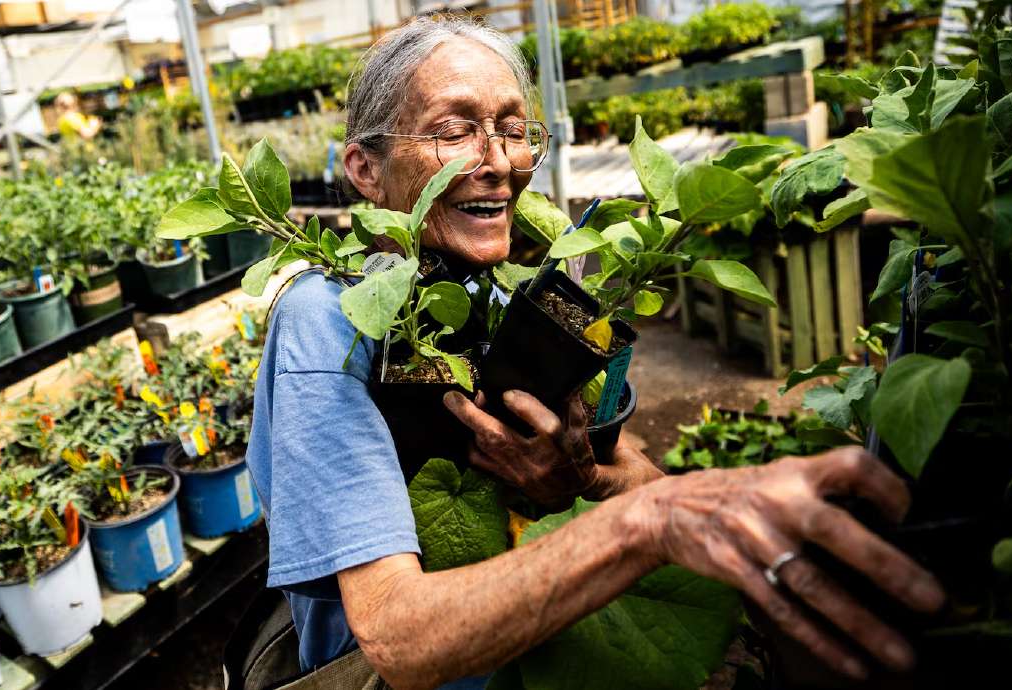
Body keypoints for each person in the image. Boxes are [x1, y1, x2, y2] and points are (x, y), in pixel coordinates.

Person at [245, 16, 944, 690]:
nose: (498, 161)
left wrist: (583, 473)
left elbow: (631, 472)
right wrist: (651, 522)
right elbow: (399, 640)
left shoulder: (498, 296)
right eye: (455, 130)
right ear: (366, 169)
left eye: (515, 131)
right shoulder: (327, 321)